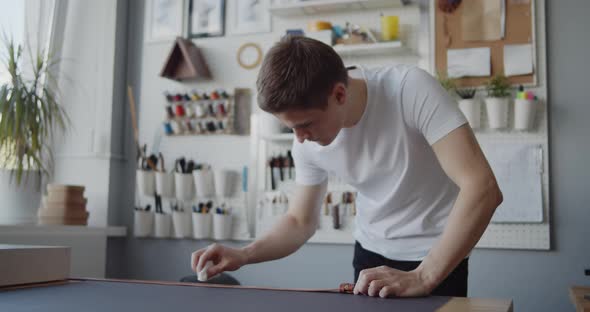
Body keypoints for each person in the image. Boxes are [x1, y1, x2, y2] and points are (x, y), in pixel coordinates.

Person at [190, 36, 502, 298]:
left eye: (305, 124)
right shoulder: (305, 141)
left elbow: (482, 187)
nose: (299, 138)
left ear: (339, 94)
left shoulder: (410, 89)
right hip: (369, 254)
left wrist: (425, 276)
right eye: (290, 129)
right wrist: (244, 254)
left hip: (437, 255)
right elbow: (300, 220)